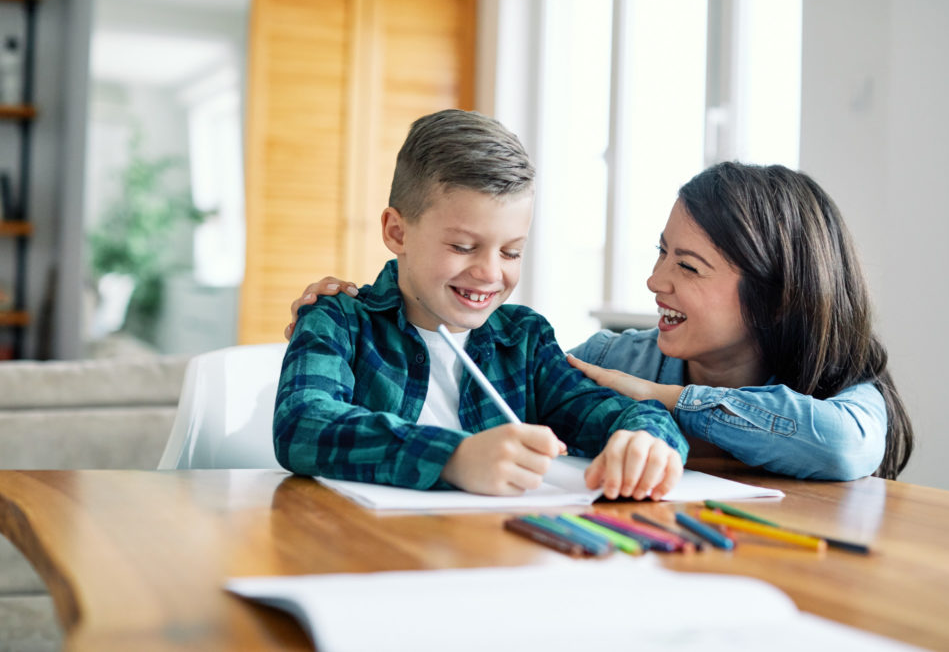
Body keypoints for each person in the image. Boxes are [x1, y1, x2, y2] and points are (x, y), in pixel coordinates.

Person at [289, 161, 914, 481]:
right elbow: (551, 390)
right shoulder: (614, 361)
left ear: (777, 298)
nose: (653, 281)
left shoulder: (843, 385)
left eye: (688, 266)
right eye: (659, 252)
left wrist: (664, 403)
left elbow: (839, 444)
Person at [275, 109, 687, 500]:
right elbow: (301, 424)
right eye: (463, 247)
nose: (490, 273)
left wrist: (647, 443)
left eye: (510, 253)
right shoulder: (337, 319)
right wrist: (454, 457)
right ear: (397, 232)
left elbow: (622, 414)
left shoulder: (524, 341)